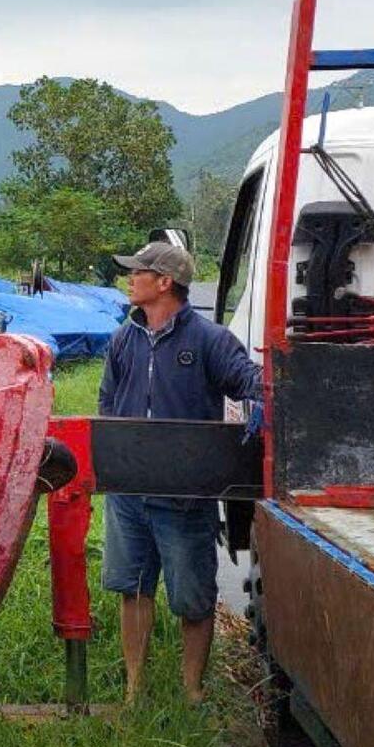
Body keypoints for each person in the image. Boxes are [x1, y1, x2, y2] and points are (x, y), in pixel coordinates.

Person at [99, 238, 260, 705]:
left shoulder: (209, 341)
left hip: (185, 494)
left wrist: (258, 404)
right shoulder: (122, 340)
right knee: (131, 588)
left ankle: (192, 692)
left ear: (165, 282)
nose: (130, 278)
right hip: (129, 490)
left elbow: (249, 382)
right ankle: (134, 691)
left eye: (138, 272)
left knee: (193, 597)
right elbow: (107, 403)